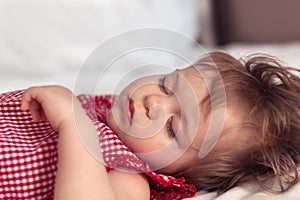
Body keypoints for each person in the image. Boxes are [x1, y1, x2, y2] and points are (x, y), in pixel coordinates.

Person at [0, 51, 299, 199]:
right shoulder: (103, 111)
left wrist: (72, 123)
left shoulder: (129, 177)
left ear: (182, 176)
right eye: (167, 85)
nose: (154, 103)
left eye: (172, 128)